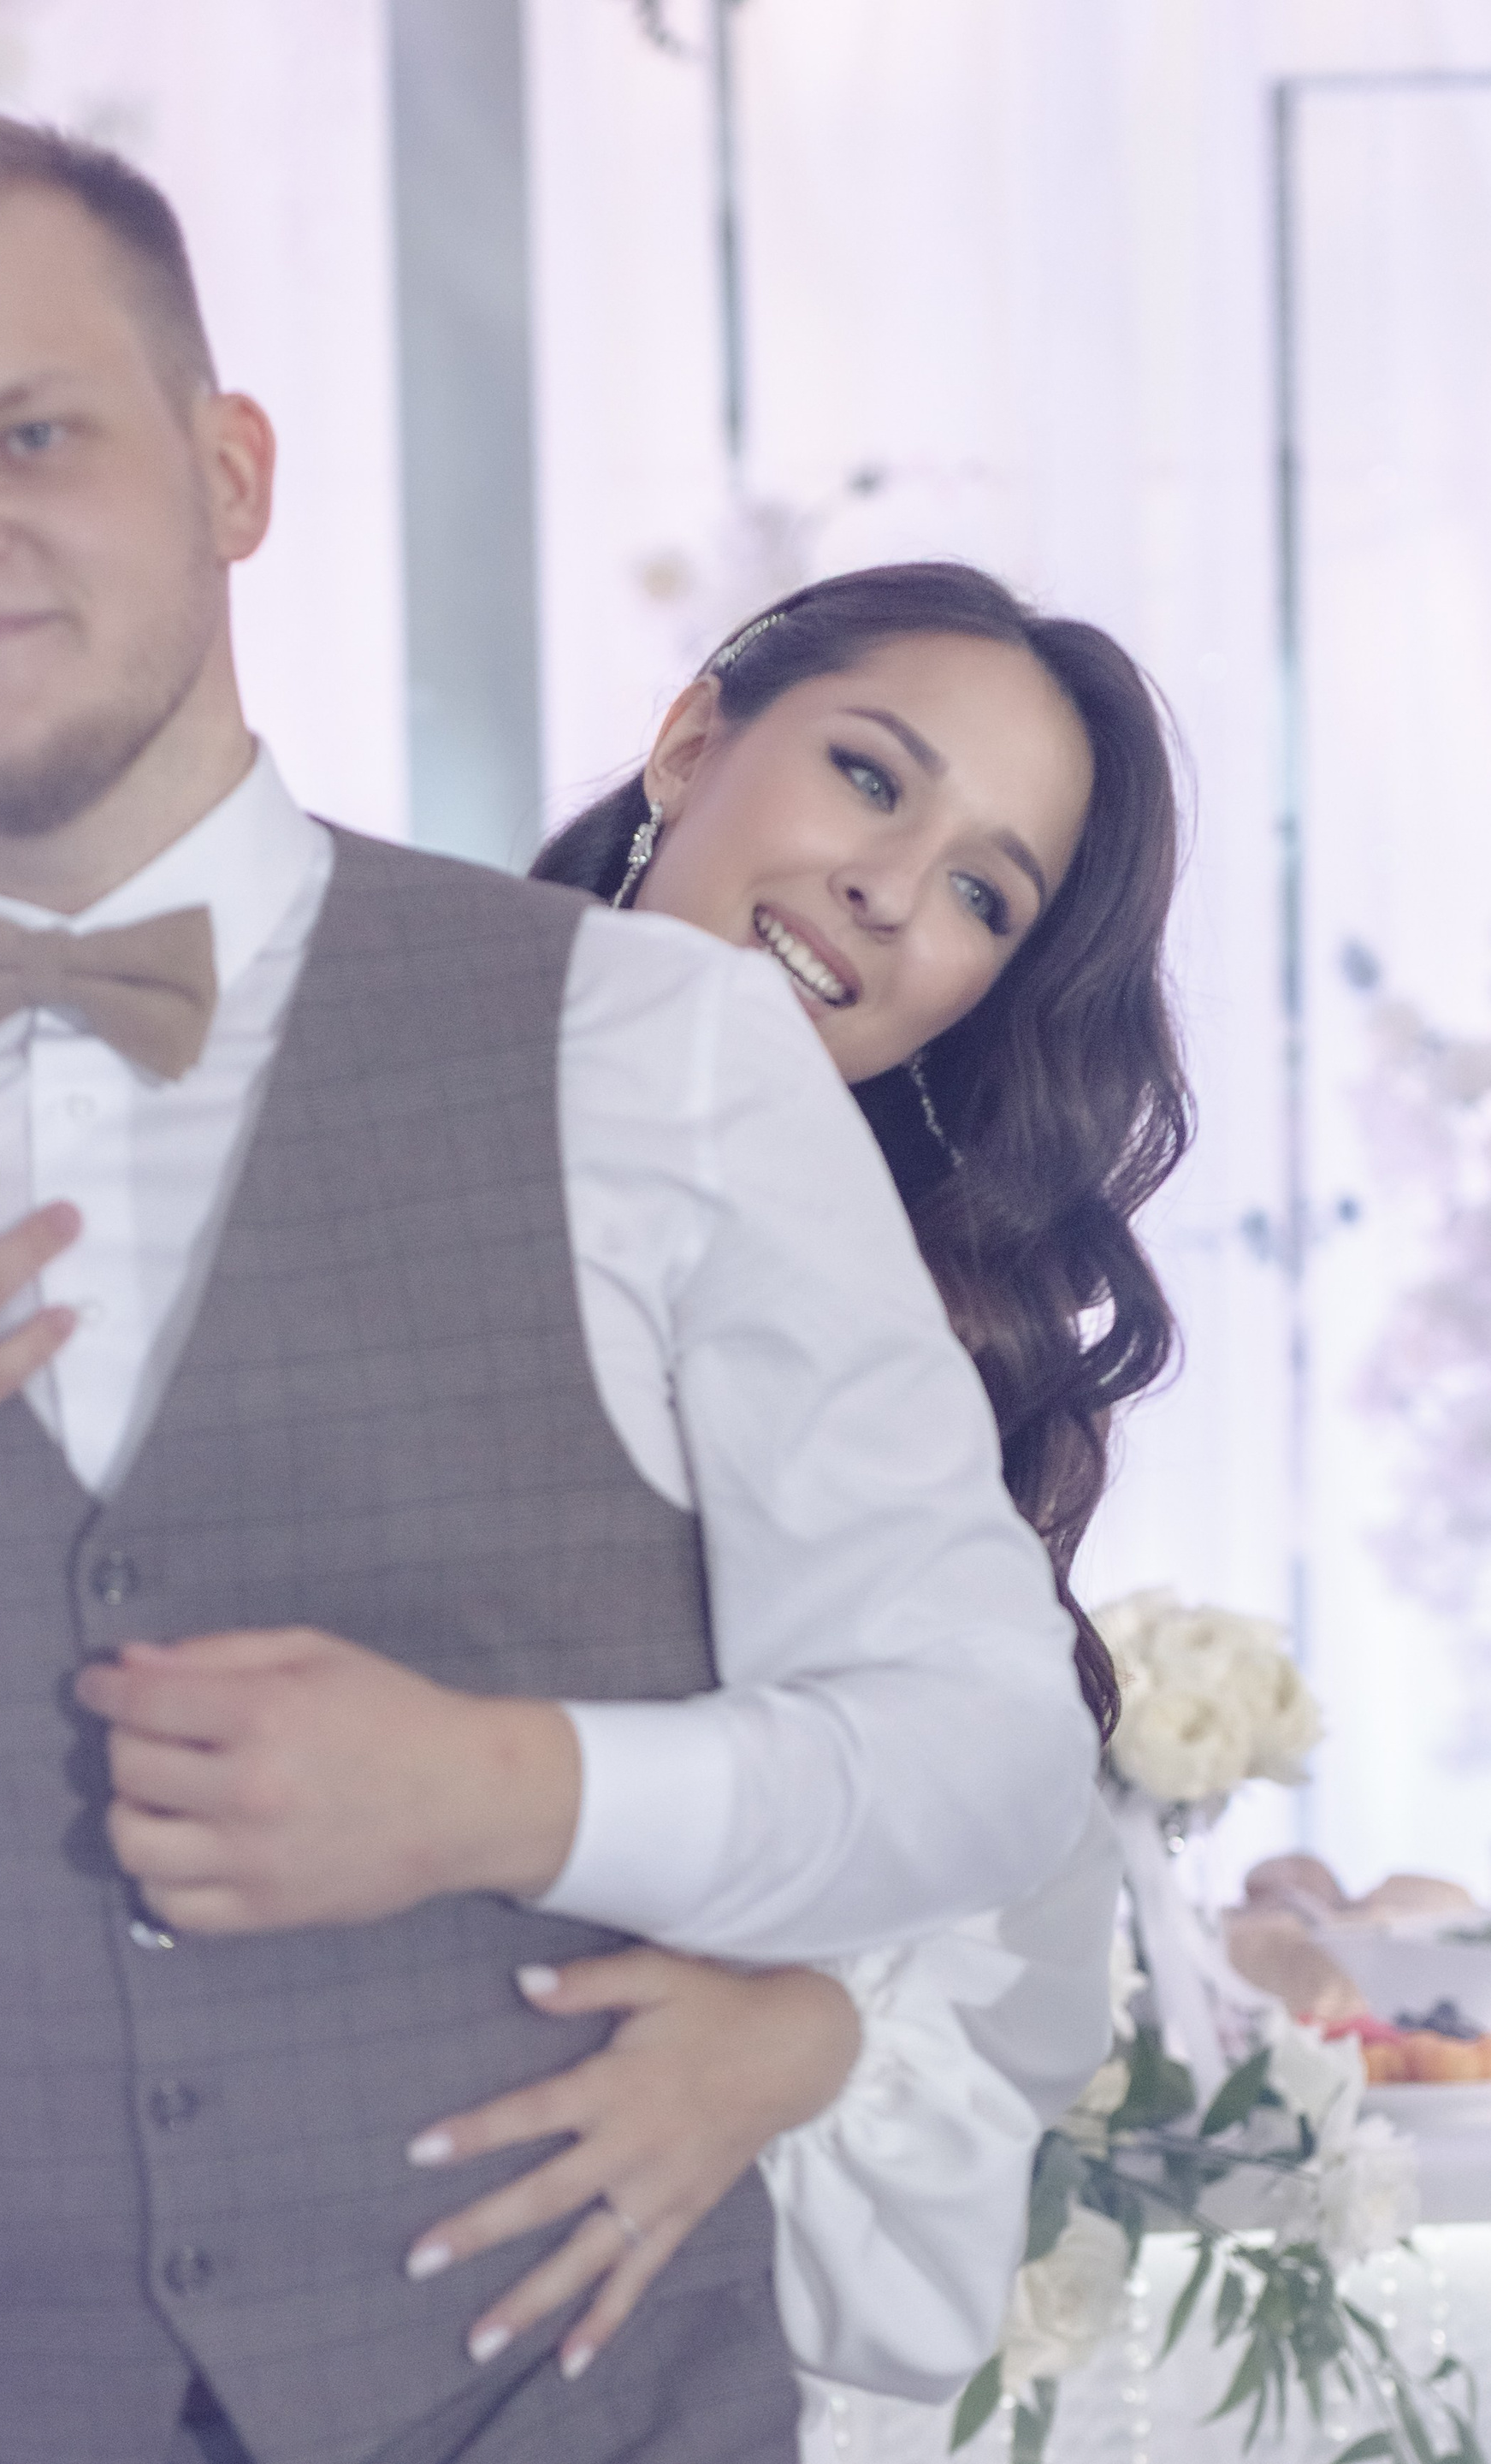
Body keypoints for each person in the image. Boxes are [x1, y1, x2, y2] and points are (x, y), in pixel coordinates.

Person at [0, 112, 1108, 2464]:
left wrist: (510, 1788)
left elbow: (989, 1744)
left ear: (232, 470)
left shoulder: (652, 1045)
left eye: (32, 433)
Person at [379, 564, 1188, 2447]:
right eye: (871, 777)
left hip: (618, 2321)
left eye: (984, 895)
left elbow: (993, 1914)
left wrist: (816, 2039)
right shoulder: (349, 1098)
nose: (890, 889)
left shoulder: (913, 1357)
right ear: (690, 742)